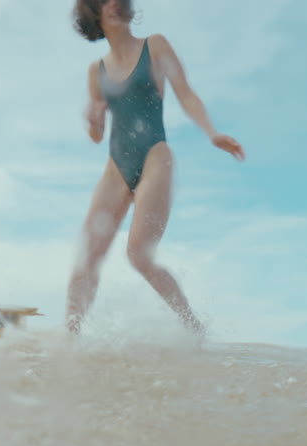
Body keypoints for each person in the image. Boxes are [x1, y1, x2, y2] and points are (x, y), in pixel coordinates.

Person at [65, 0, 245, 337]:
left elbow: (186, 94)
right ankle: (69, 341)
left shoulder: (155, 45)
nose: (115, 3)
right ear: (94, 15)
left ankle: (192, 327)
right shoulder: (96, 72)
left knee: (138, 255)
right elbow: (96, 136)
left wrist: (212, 132)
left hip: (154, 158)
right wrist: (93, 119)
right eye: (104, 1)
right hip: (116, 164)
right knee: (86, 256)